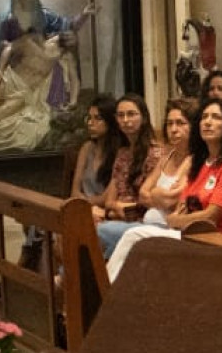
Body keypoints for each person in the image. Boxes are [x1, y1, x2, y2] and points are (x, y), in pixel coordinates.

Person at [105, 100, 222, 278]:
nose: (208, 122)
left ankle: (104, 295)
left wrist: (174, 221)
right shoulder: (202, 163)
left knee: (135, 235)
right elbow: (181, 206)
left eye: (216, 117)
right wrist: (176, 219)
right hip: (193, 236)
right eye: (204, 117)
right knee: (138, 248)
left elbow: (210, 217)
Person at [101, 98, 196, 260]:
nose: (173, 129)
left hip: (166, 229)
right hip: (147, 225)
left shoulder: (193, 160)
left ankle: (69, 280)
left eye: (180, 123)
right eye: (169, 124)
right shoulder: (167, 156)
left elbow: (172, 199)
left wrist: (156, 194)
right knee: (112, 248)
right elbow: (143, 194)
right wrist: (159, 195)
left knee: (102, 231)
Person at [92, 95, 162, 255]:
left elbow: (146, 202)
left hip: (141, 219)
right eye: (120, 115)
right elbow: (109, 200)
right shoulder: (122, 153)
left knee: (94, 233)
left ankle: (64, 278)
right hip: (117, 215)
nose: (125, 120)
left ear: (143, 117)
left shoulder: (156, 153)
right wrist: (115, 209)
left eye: (131, 114)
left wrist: (116, 210)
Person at [71, 97, 121, 202]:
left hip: (106, 210)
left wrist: (88, 204)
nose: (90, 123)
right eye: (89, 118)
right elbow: (75, 191)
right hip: (83, 207)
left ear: (110, 121)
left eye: (98, 118)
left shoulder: (120, 152)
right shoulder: (87, 148)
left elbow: (106, 198)